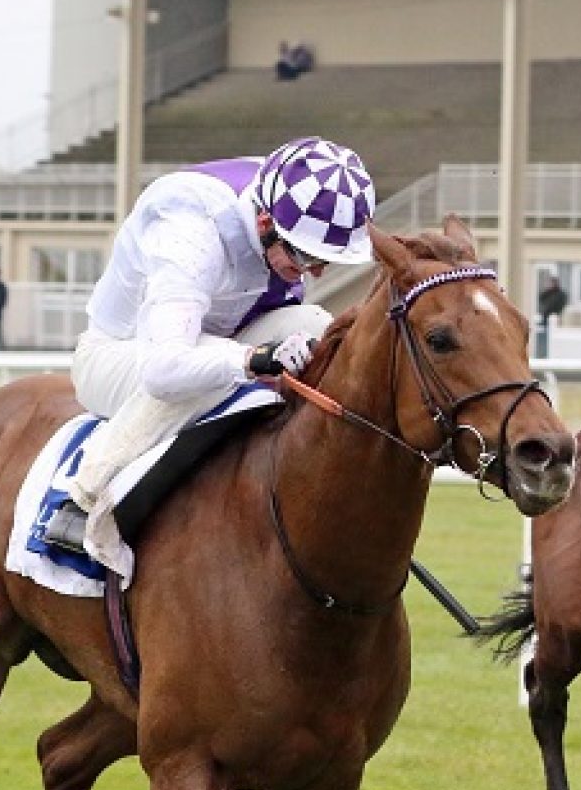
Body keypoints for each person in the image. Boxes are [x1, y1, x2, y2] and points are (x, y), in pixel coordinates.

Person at [41, 136, 377, 553]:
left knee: (317, 327)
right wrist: (253, 360)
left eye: (329, 261)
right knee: (211, 374)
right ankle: (83, 497)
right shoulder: (191, 234)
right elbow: (166, 372)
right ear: (264, 224)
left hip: (212, 341)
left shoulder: (288, 197)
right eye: (307, 259)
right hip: (122, 358)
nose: (318, 274)